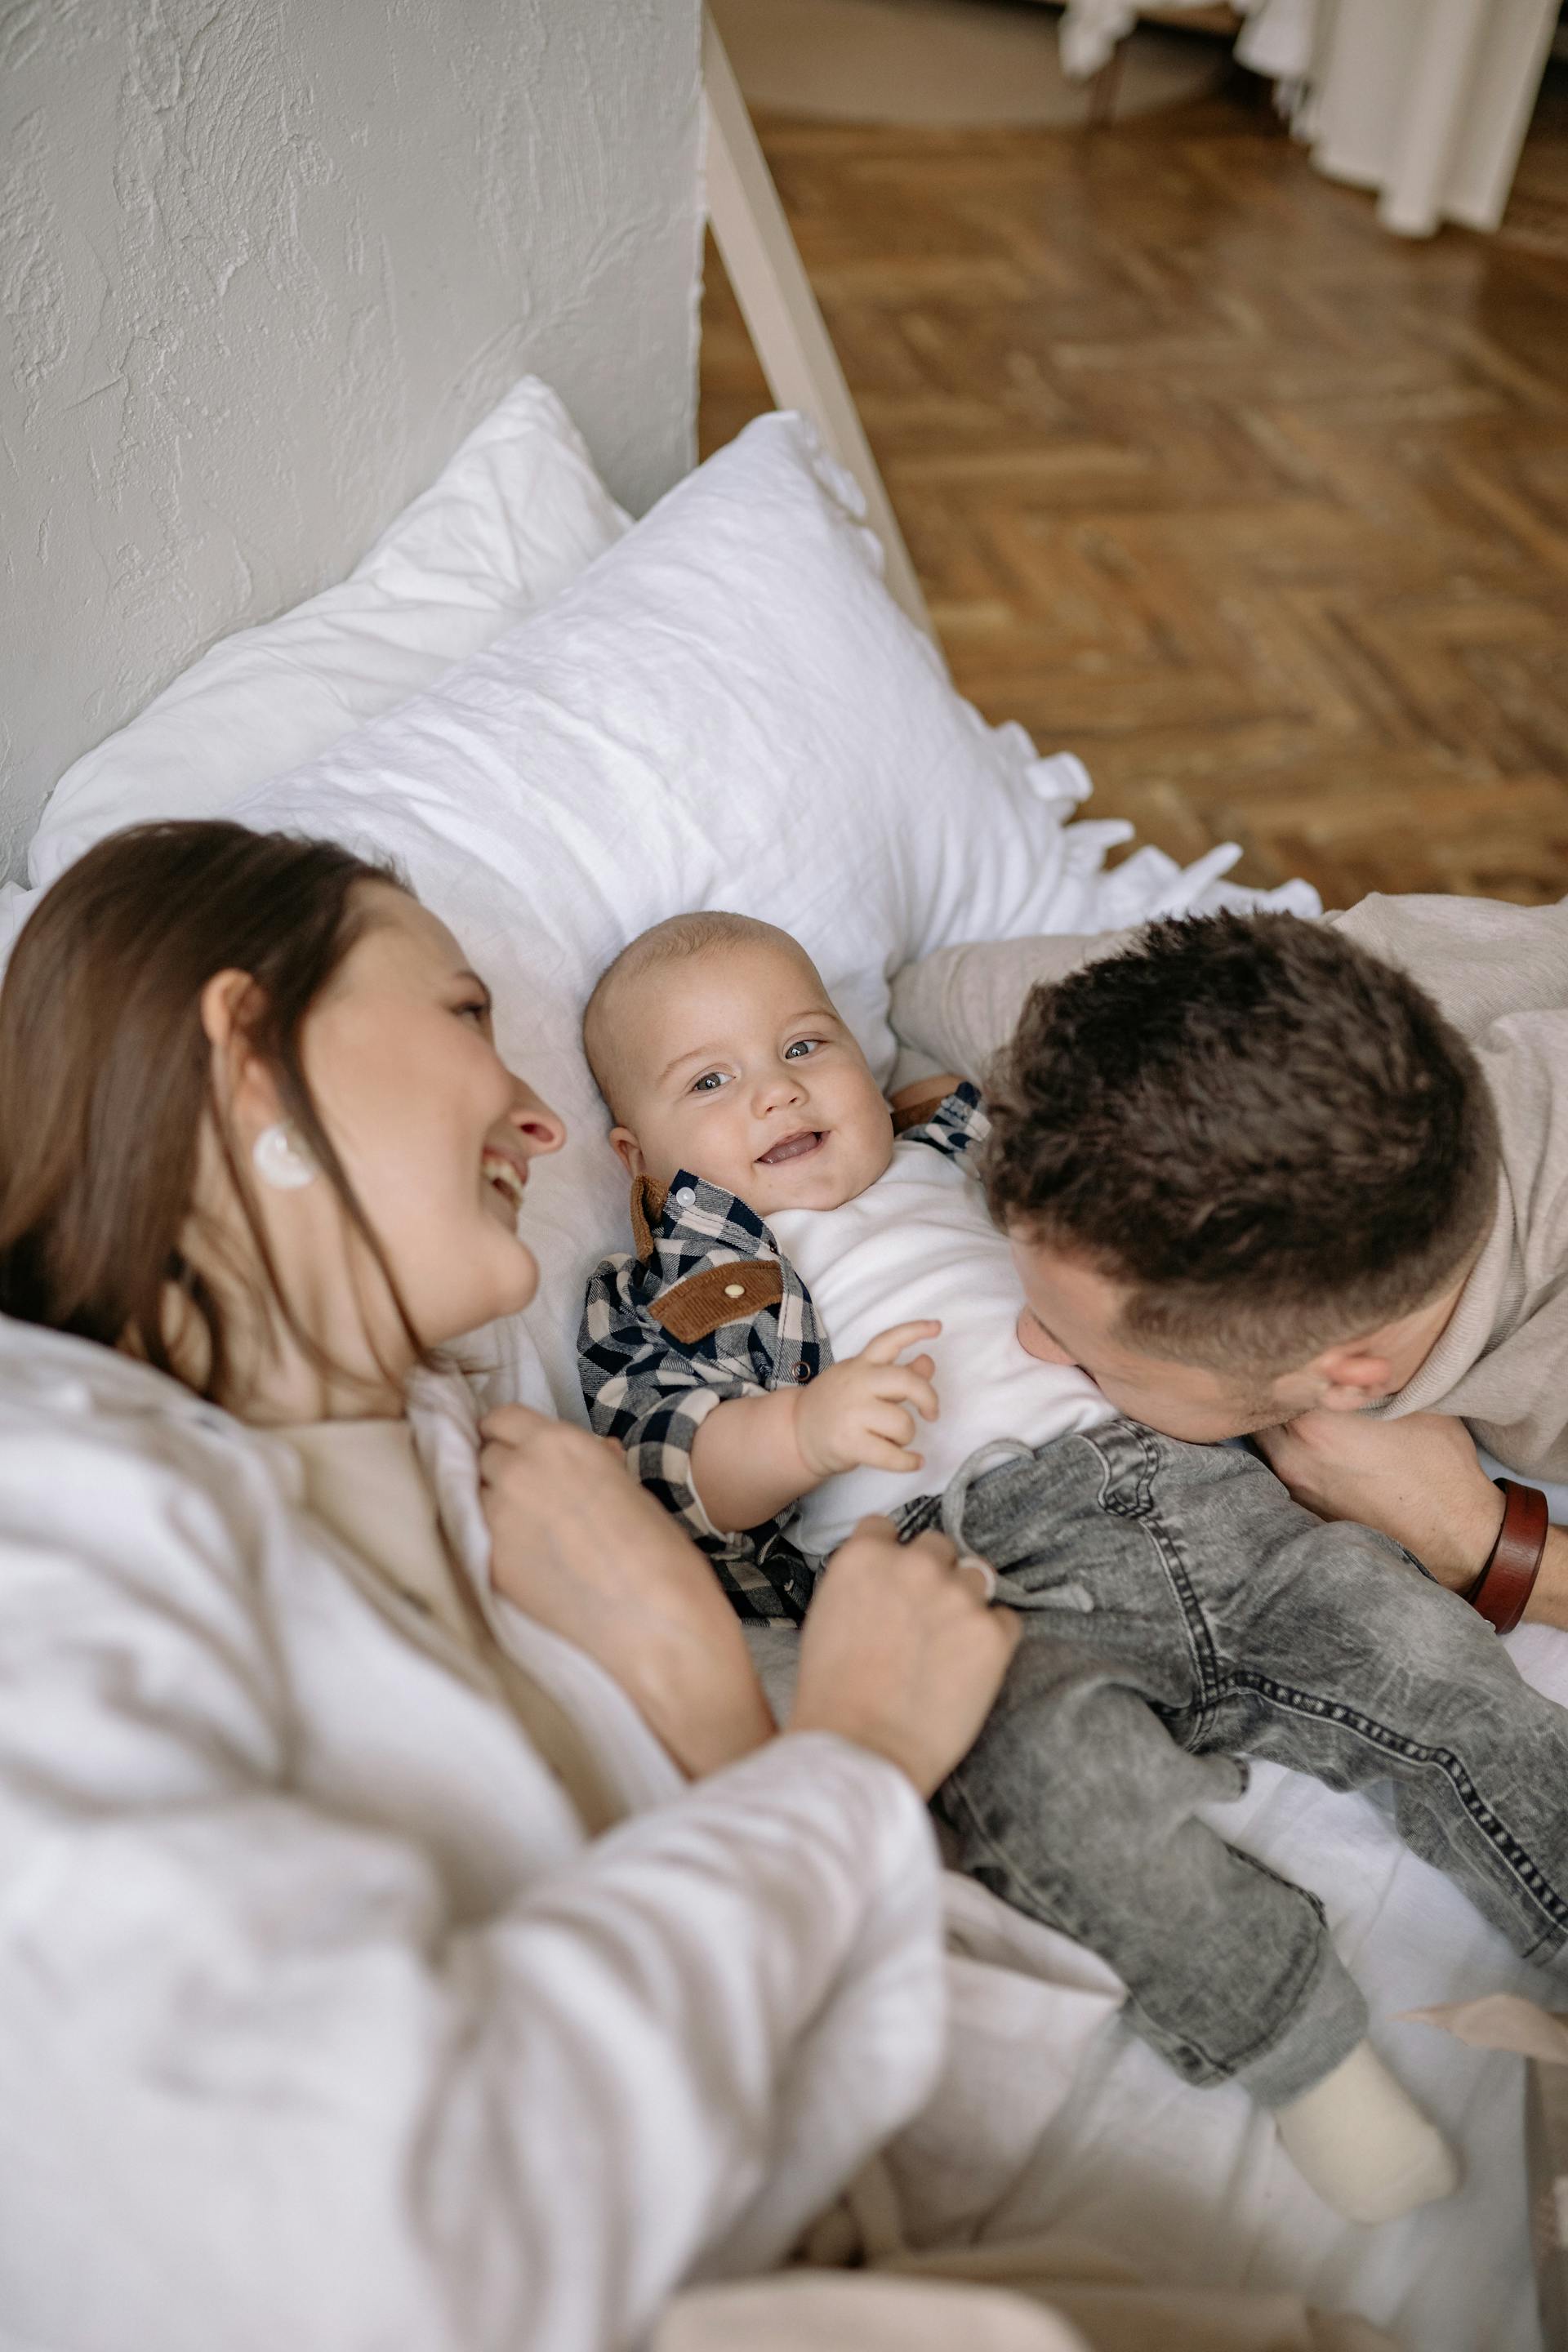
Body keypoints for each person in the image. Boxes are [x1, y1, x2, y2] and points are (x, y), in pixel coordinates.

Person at [575, 911, 1568, 2228]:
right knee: (1057, 1789)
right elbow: (672, 1462)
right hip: (981, 1572)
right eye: (711, 1080)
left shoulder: (973, 1146)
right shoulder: (706, 1267)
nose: (775, 1089)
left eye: (805, 1044)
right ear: (639, 1160)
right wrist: (799, 1433)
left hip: (1211, 1497)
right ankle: (1308, 2062)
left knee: (1423, 1658)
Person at [886, 895, 1568, 1632]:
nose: (1029, 1339)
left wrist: (1485, 1545)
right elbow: (921, 999)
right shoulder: (1248, 1003)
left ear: (1343, 1379)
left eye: (1101, 1358)